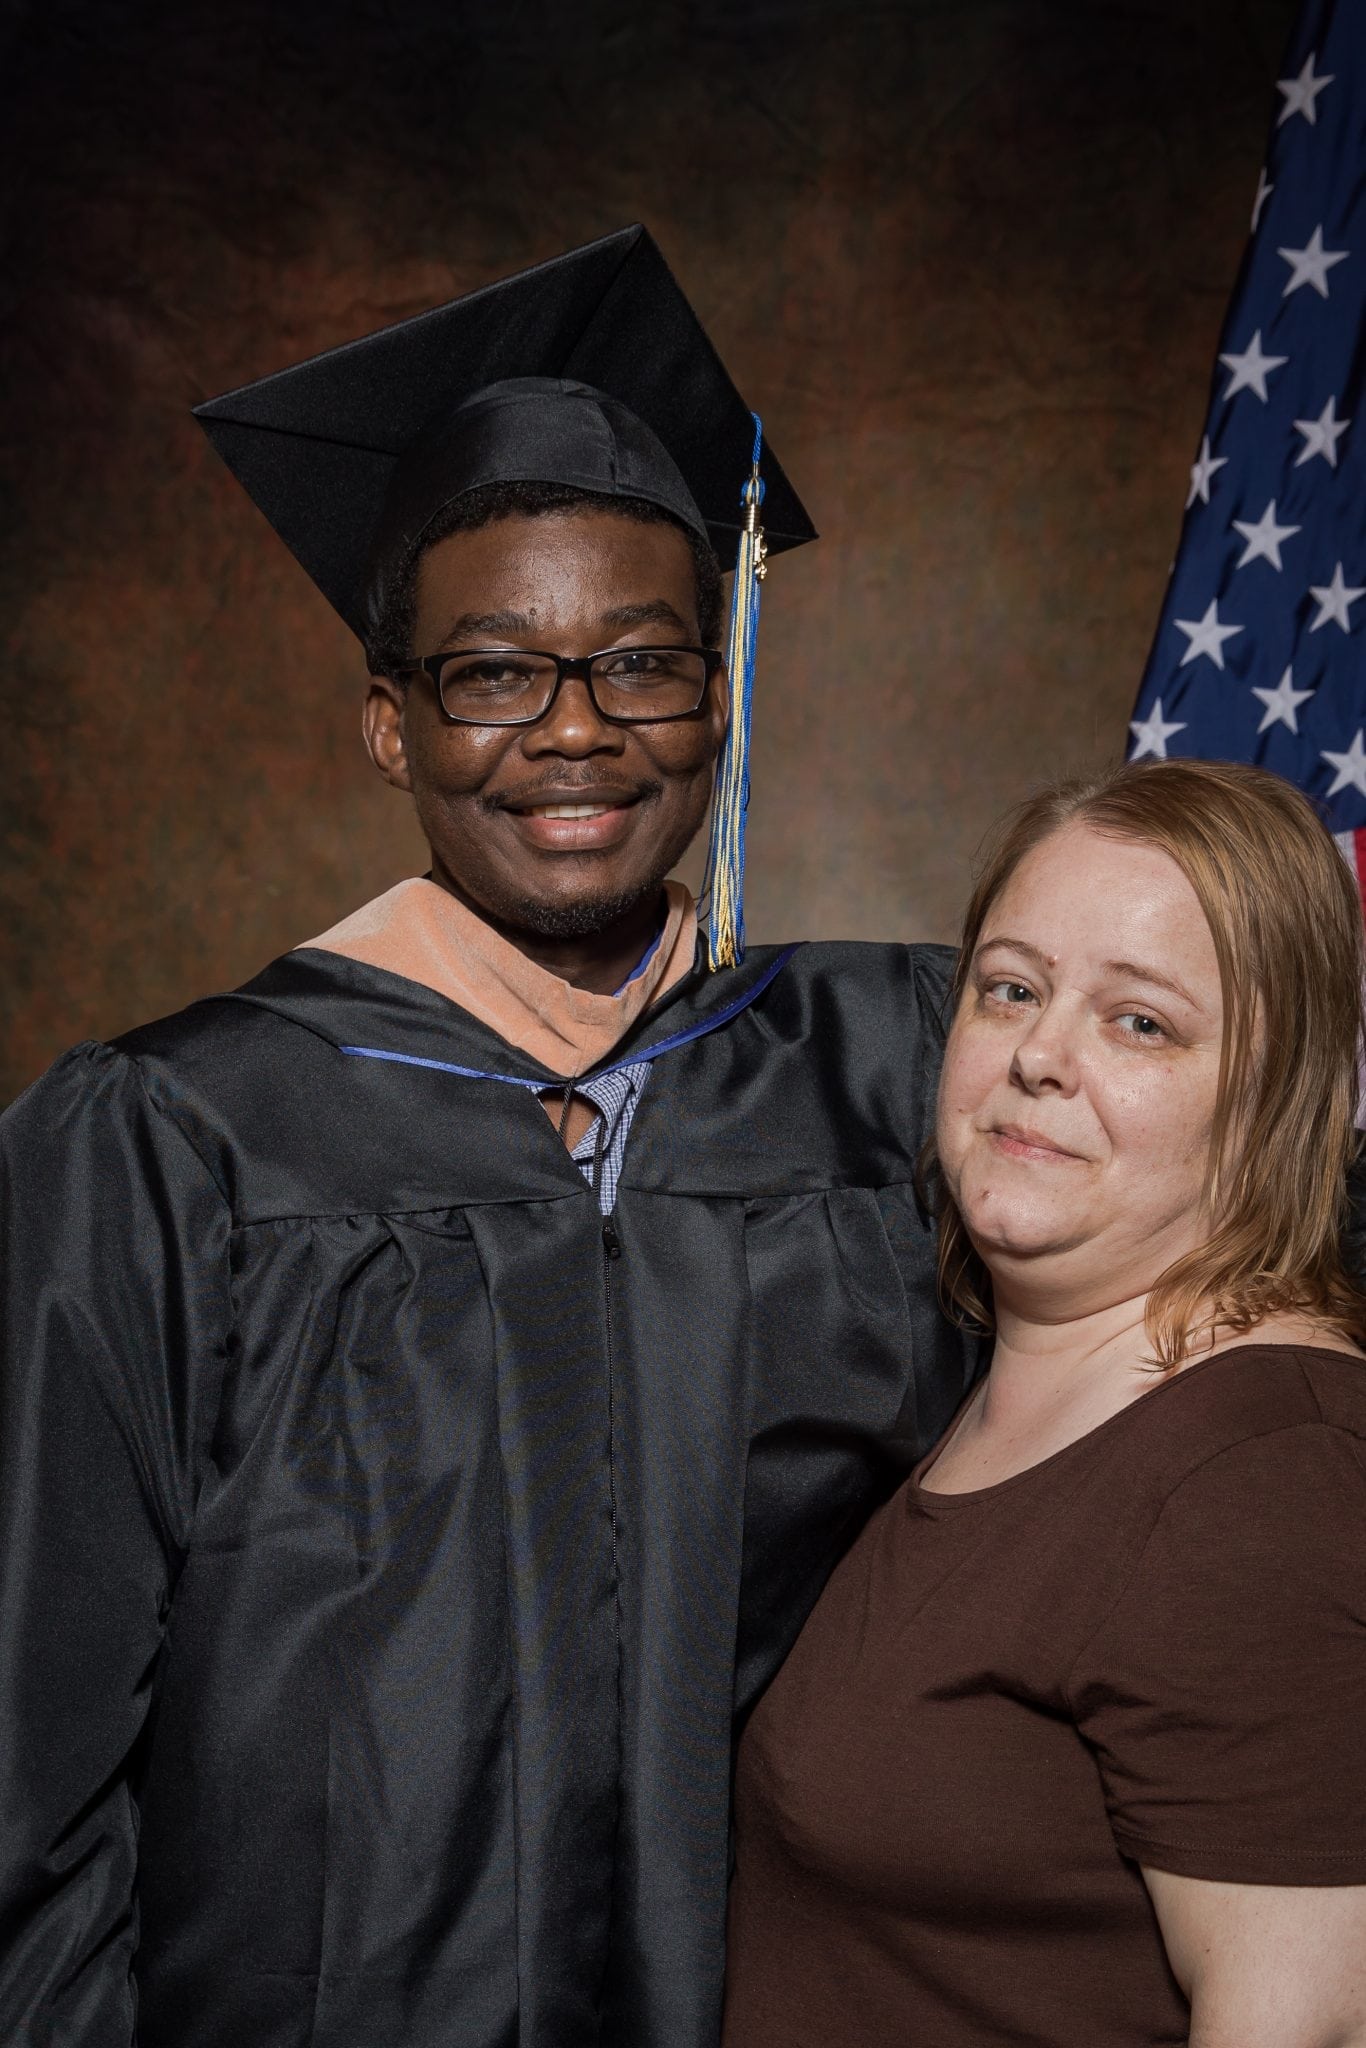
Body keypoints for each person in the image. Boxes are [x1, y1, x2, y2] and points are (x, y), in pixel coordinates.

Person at [0, 226, 977, 2047]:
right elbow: (24, 1759)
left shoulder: (900, 1068)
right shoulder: (180, 1139)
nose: (576, 732)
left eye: (642, 663)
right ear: (392, 727)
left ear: (717, 696)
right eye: (493, 674)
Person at [724, 757, 1366, 2048]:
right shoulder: (1008, 1386)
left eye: (1140, 1024)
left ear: (1275, 1093)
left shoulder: (1260, 1481)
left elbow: (1309, 2025)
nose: (1038, 1057)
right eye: (1011, 988)